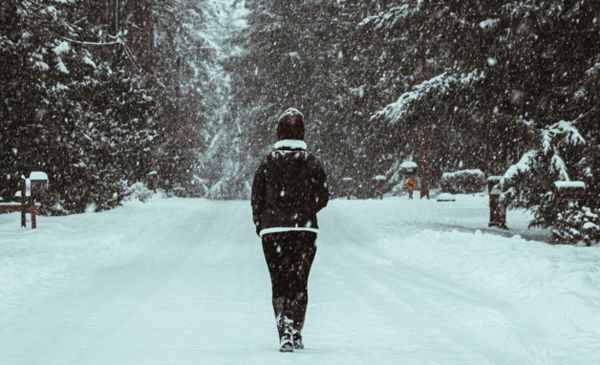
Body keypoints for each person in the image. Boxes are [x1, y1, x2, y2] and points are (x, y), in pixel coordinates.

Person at [251, 108, 329, 353]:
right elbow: (324, 196)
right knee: (300, 281)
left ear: (279, 131)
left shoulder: (267, 162)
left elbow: (257, 197)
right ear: (301, 132)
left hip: (272, 230)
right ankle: (295, 329)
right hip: (304, 230)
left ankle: (283, 330)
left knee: (279, 282)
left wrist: (261, 222)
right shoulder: (312, 162)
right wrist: (306, 210)